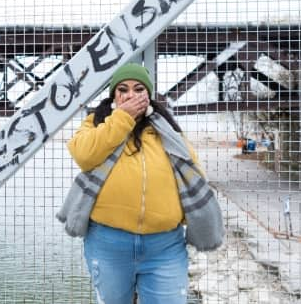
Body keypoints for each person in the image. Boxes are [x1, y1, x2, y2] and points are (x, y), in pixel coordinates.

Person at [66, 62, 202, 304]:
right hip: (109, 244)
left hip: (164, 246)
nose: (131, 95)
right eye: (123, 90)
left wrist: (178, 214)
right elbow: (84, 155)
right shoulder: (96, 123)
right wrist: (122, 118)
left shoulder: (166, 129)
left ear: (148, 95)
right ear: (113, 96)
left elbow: (193, 173)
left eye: (139, 89)